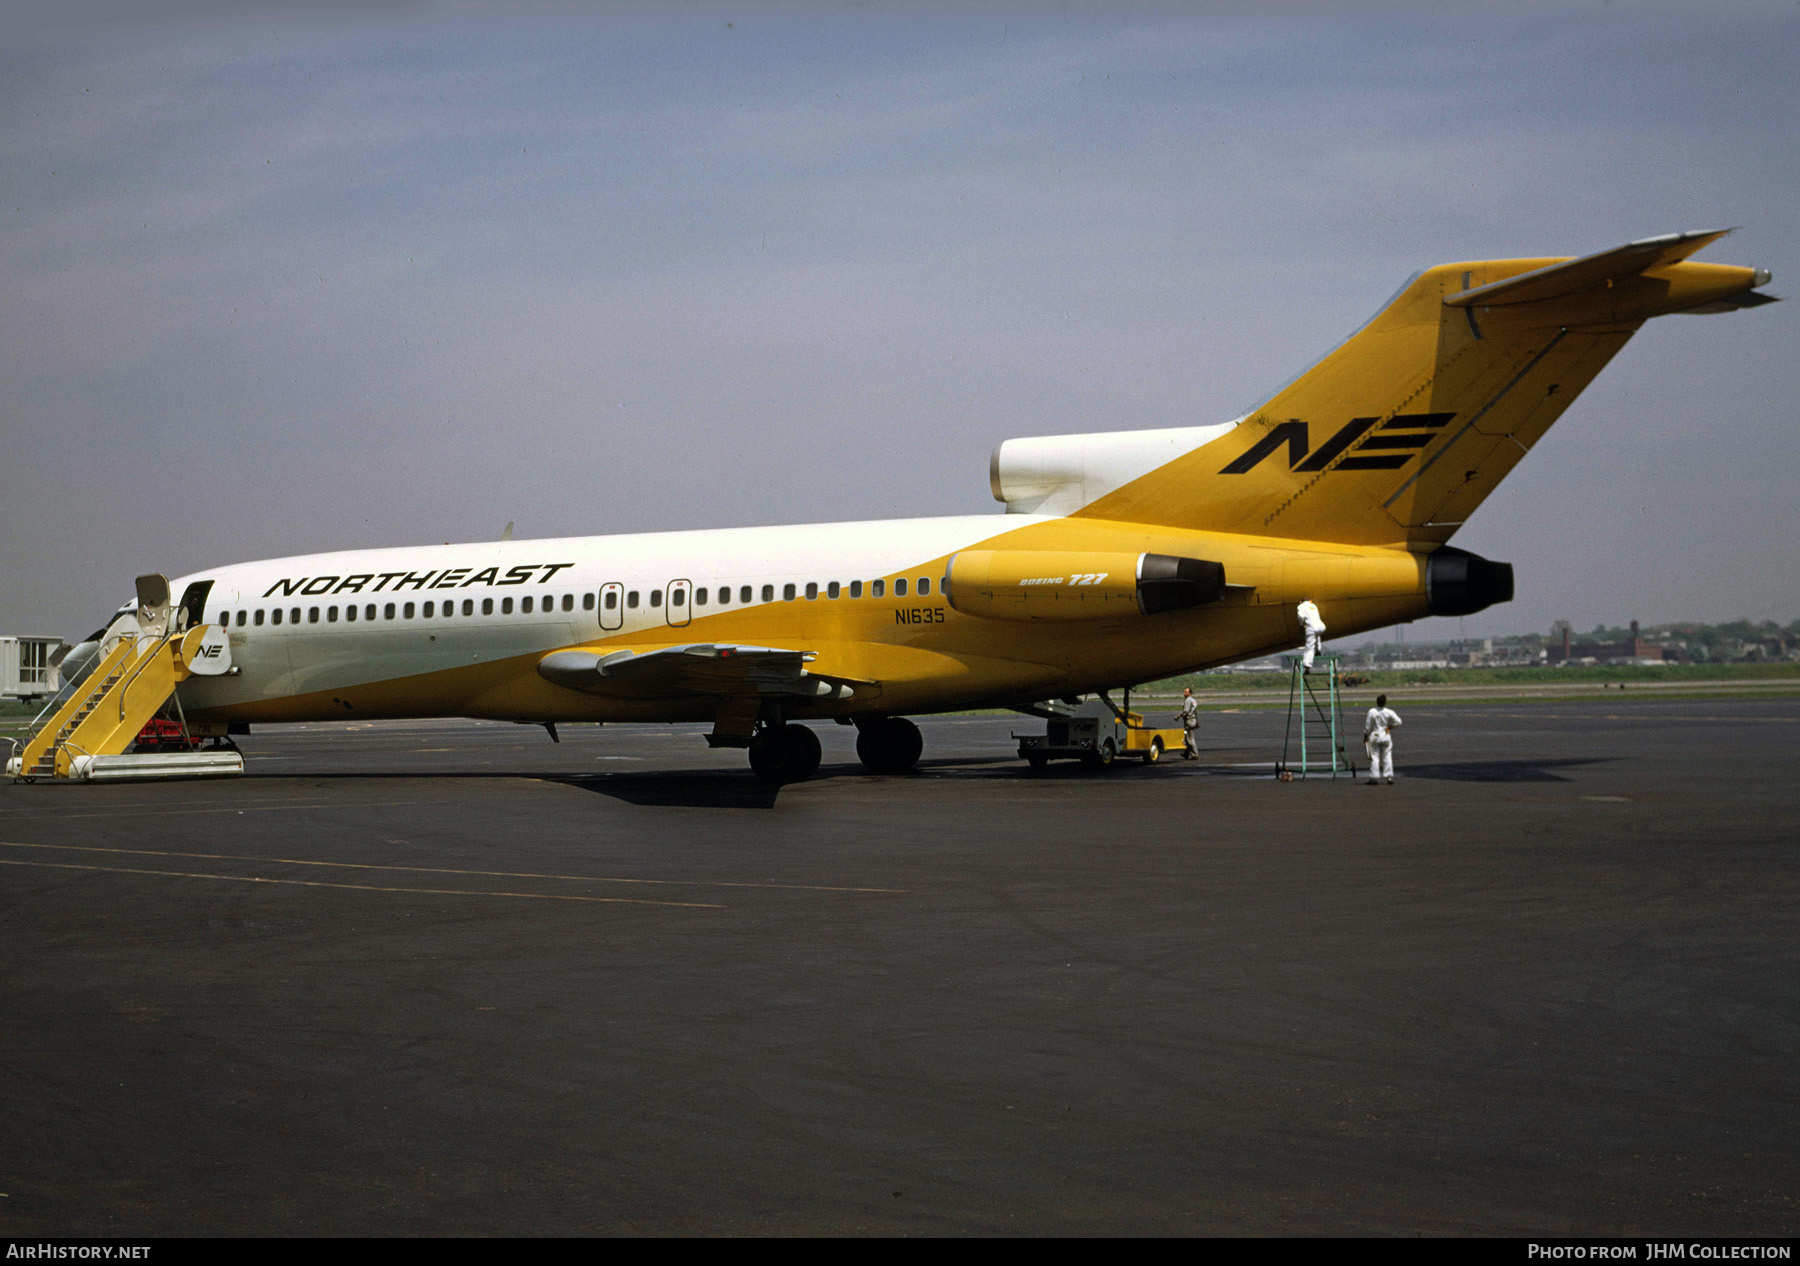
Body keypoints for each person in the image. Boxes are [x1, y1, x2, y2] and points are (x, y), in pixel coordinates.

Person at [1363, 693, 1402, 784]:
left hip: (1375, 735)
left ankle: (1374, 778)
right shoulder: (1389, 712)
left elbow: (1367, 726)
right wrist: (1389, 727)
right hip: (1385, 734)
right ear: (1385, 703)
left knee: (1374, 757)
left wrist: (1365, 736)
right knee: (1387, 756)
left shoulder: (1372, 711)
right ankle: (1389, 777)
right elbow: (1398, 722)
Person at [1297, 599, 1326, 672]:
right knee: (1317, 635)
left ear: (1301, 601)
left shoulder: (1301, 606)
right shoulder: (1313, 606)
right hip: (1321, 627)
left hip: (1311, 628)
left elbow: (1300, 616)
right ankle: (1318, 650)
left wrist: (1301, 625)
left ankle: (1307, 666)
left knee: (1309, 647)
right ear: (1310, 601)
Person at [1178, 687, 1199, 760]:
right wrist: (1196, 722)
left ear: (1190, 693)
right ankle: (1186, 753)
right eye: (1184, 692)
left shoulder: (1187, 701)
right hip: (1193, 721)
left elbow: (1185, 711)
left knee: (1189, 738)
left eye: (1186, 692)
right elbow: (1195, 712)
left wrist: (1178, 716)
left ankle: (1195, 754)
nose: (1184, 693)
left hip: (1188, 721)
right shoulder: (1193, 701)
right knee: (1187, 737)